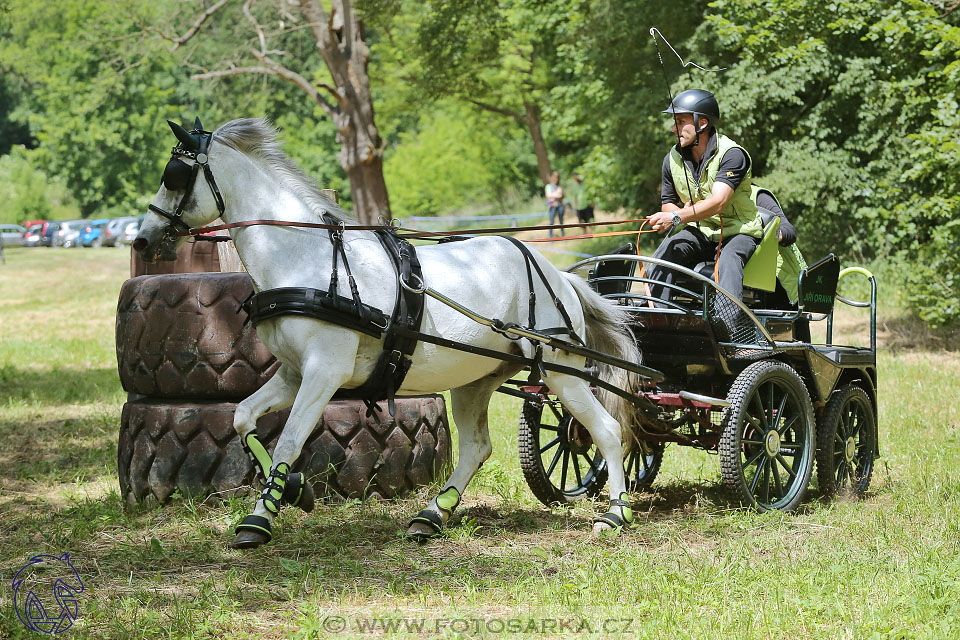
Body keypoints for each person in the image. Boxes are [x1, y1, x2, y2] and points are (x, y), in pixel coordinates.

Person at [646, 89, 765, 305]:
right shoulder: (671, 159)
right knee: (670, 246)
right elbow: (667, 204)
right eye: (675, 123)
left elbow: (718, 203)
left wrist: (678, 216)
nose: (674, 128)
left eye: (681, 122)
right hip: (702, 230)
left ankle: (727, 325)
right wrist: (676, 213)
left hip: (739, 230)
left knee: (729, 260)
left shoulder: (732, 154)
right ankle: (658, 315)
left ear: (702, 123)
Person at [545, 171, 564, 237]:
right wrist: (556, 194)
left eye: (557, 177)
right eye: (555, 176)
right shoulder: (548, 186)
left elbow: (560, 195)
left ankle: (563, 235)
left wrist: (552, 195)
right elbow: (548, 196)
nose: (556, 178)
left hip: (560, 206)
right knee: (551, 222)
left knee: (561, 222)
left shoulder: (559, 186)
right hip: (552, 206)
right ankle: (550, 237)